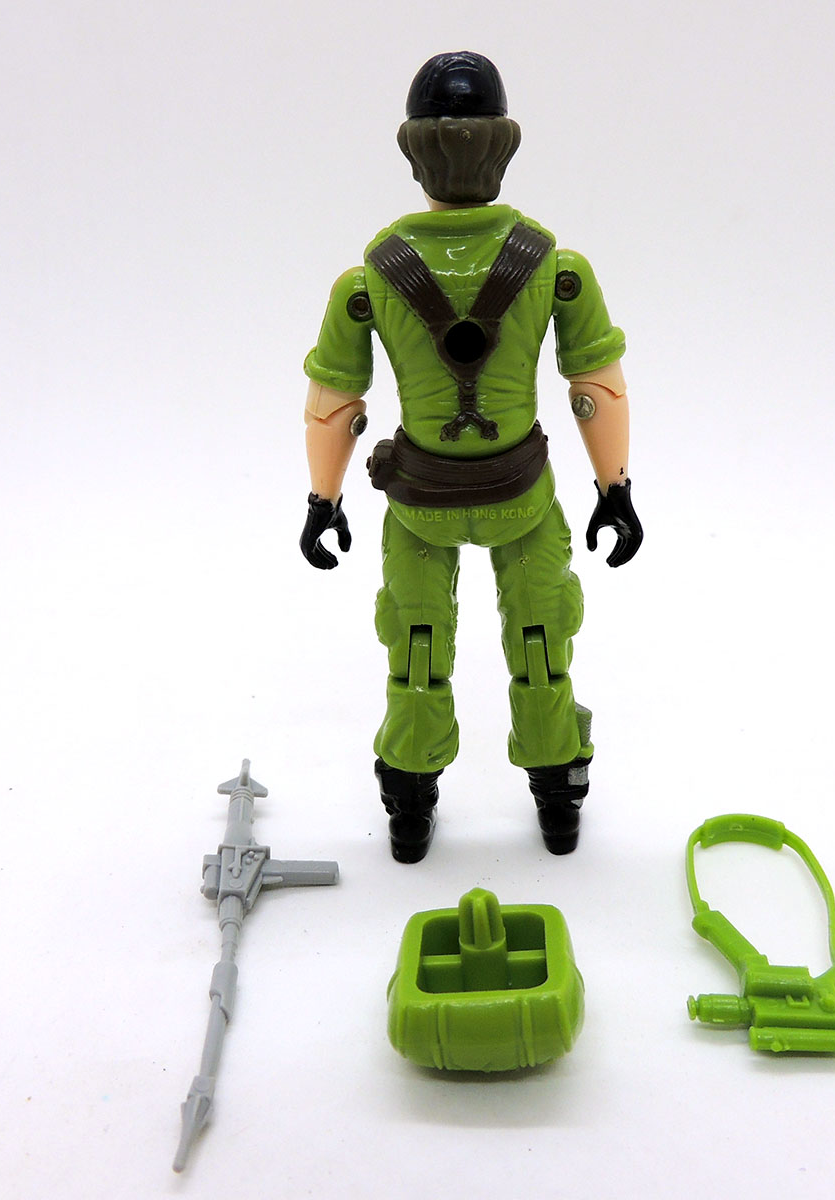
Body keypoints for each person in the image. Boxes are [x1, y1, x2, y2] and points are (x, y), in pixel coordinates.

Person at [299, 51, 642, 862]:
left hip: (421, 504)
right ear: (505, 148)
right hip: (523, 497)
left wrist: (323, 500)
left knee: (417, 654)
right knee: (541, 649)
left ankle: (409, 812)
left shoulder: (368, 281)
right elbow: (596, 389)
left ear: (413, 152)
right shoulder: (555, 269)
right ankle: (558, 803)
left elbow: (335, 406)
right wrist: (615, 488)